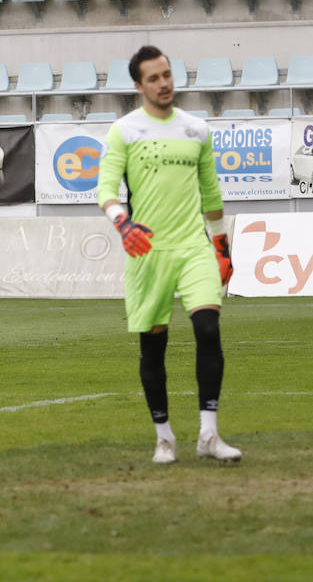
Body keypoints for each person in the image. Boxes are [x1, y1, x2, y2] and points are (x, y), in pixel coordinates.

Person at [96, 45, 241, 464]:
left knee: (209, 329)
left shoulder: (196, 129)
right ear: (138, 85)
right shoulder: (124, 130)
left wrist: (221, 246)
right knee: (152, 348)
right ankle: (164, 438)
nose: (165, 84)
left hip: (194, 246)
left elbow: (211, 193)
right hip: (148, 252)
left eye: (167, 75)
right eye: (154, 78)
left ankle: (209, 435)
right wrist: (123, 224)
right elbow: (105, 188)